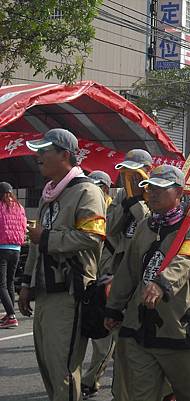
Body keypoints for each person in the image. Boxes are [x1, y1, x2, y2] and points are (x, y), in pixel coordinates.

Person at [104, 165, 190, 401]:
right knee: (142, 394)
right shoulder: (145, 226)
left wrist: (161, 284)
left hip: (177, 325)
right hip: (140, 325)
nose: (152, 193)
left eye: (161, 189)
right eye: (150, 188)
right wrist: (114, 307)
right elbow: (128, 271)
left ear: (179, 192)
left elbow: (184, 262)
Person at [19, 128, 106, 401]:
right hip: (45, 292)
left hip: (70, 293)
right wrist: (26, 283)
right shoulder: (49, 195)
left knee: (63, 367)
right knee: (47, 364)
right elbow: (36, 243)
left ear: (64, 155)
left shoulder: (87, 191)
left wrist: (47, 238)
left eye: (44, 151)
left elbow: (92, 237)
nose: (38, 157)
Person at [106, 150, 153, 401]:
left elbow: (150, 225)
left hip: (146, 273)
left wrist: (137, 203)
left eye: (136, 172)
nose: (131, 177)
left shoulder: (156, 193)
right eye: (127, 173)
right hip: (122, 269)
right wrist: (125, 207)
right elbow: (109, 229)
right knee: (121, 342)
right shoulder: (122, 194)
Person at [80, 170, 115, 398]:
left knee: (104, 339)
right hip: (91, 280)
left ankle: (90, 380)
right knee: (91, 332)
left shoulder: (116, 211)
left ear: (105, 189)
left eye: (98, 186)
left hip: (112, 281)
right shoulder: (87, 208)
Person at [0, 182, 27, 329]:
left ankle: (11, 316)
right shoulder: (19, 207)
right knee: (9, 282)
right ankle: (10, 314)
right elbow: (24, 227)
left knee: (1, 284)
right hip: (16, 249)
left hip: (1, 248)